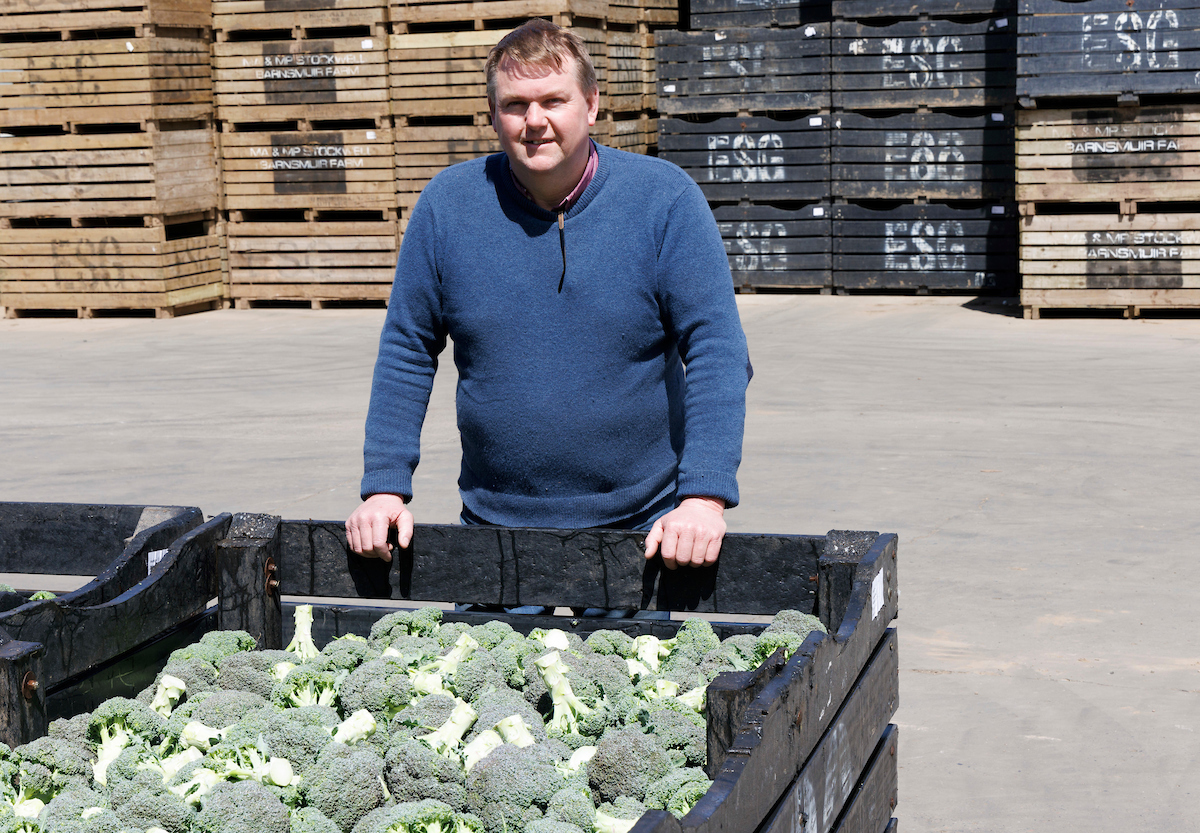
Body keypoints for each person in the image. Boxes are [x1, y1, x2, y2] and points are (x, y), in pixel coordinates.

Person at [345, 18, 751, 577]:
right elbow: (407, 350)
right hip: (494, 526)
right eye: (515, 105)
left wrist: (703, 497)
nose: (534, 121)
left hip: (645, 526)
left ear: (591, 105)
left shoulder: (663, 201)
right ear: (493, 114)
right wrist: (384, 488)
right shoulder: (448, 207)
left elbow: (717, 349)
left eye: (553, 100)